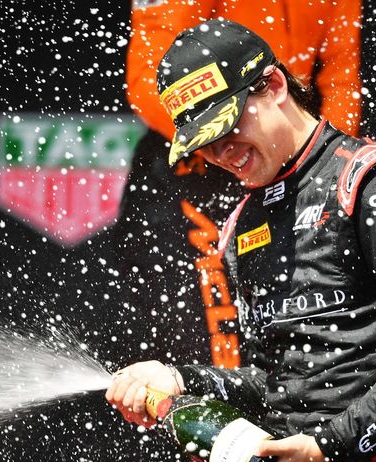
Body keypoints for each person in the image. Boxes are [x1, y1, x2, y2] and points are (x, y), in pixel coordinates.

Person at [106, 19, 376, 462]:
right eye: (204, 143)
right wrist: (179, 380)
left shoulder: (370, 182)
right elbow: (277, 384)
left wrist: (331, 445)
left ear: (273, 86)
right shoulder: (242, 224)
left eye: (227, 128)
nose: (221, 153)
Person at [111, 0, 363, 371]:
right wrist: (223, 138)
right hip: (194, 163)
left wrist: (318, 157)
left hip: (282, 149)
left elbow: (341, 77)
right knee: (202, 329)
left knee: (298, 304)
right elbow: (148, 78)